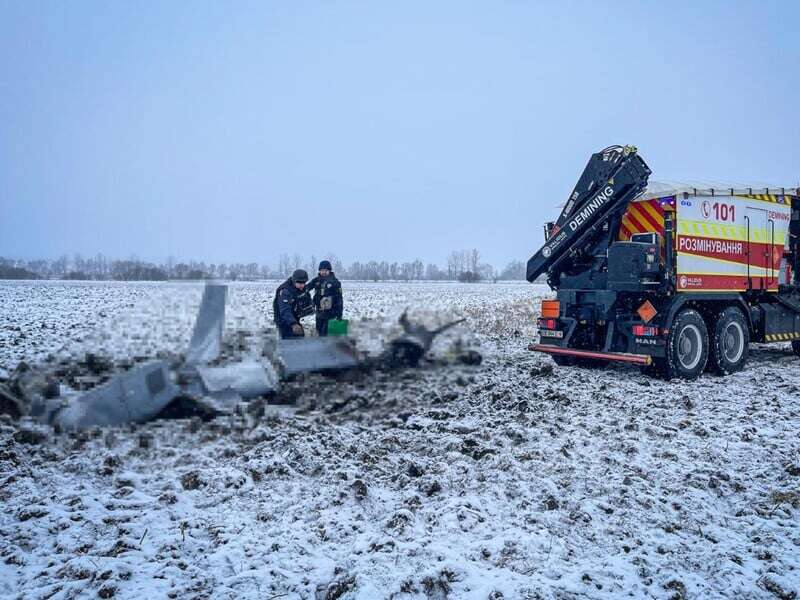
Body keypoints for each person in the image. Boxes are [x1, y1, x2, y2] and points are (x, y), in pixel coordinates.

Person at [273, 269, 313, 339]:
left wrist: (311, 307)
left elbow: (307, 299)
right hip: (283, 321)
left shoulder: (302, 288)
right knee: (289, 339)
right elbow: (285, 310)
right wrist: (293, 323)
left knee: (300, 336)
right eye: (300, 283)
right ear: (294, 281)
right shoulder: (285, 291)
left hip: (295, 318)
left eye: (304, 283)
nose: (302, 285)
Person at [307, 260, 343, 336]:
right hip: (319, 313)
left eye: (325, 270)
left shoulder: (335, 282)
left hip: (331, 313)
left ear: (329, 271)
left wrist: (339, 315)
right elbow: (306, 288)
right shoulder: (316, 280)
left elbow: (339, 299)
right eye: (322, 270)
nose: (323, 272)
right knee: (319, 333)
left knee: (326, 335)